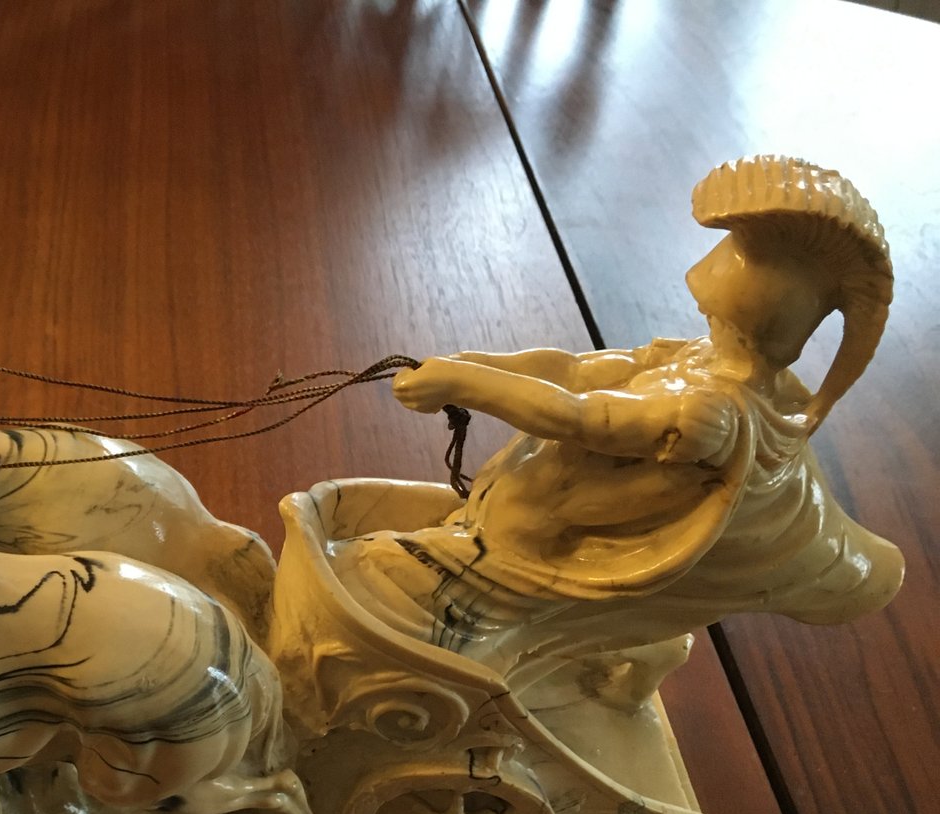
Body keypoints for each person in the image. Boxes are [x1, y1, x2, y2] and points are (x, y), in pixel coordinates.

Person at [330, 156, 903, 698]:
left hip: (527, 549)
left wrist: (464, 383)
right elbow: (573, 371)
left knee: (385, 594)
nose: (702, 308)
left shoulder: (708, 415)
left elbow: (580, 416)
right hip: (508, 517)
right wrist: (472, 366)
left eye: (716, 304)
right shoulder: (696, 357)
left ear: (756, 313)